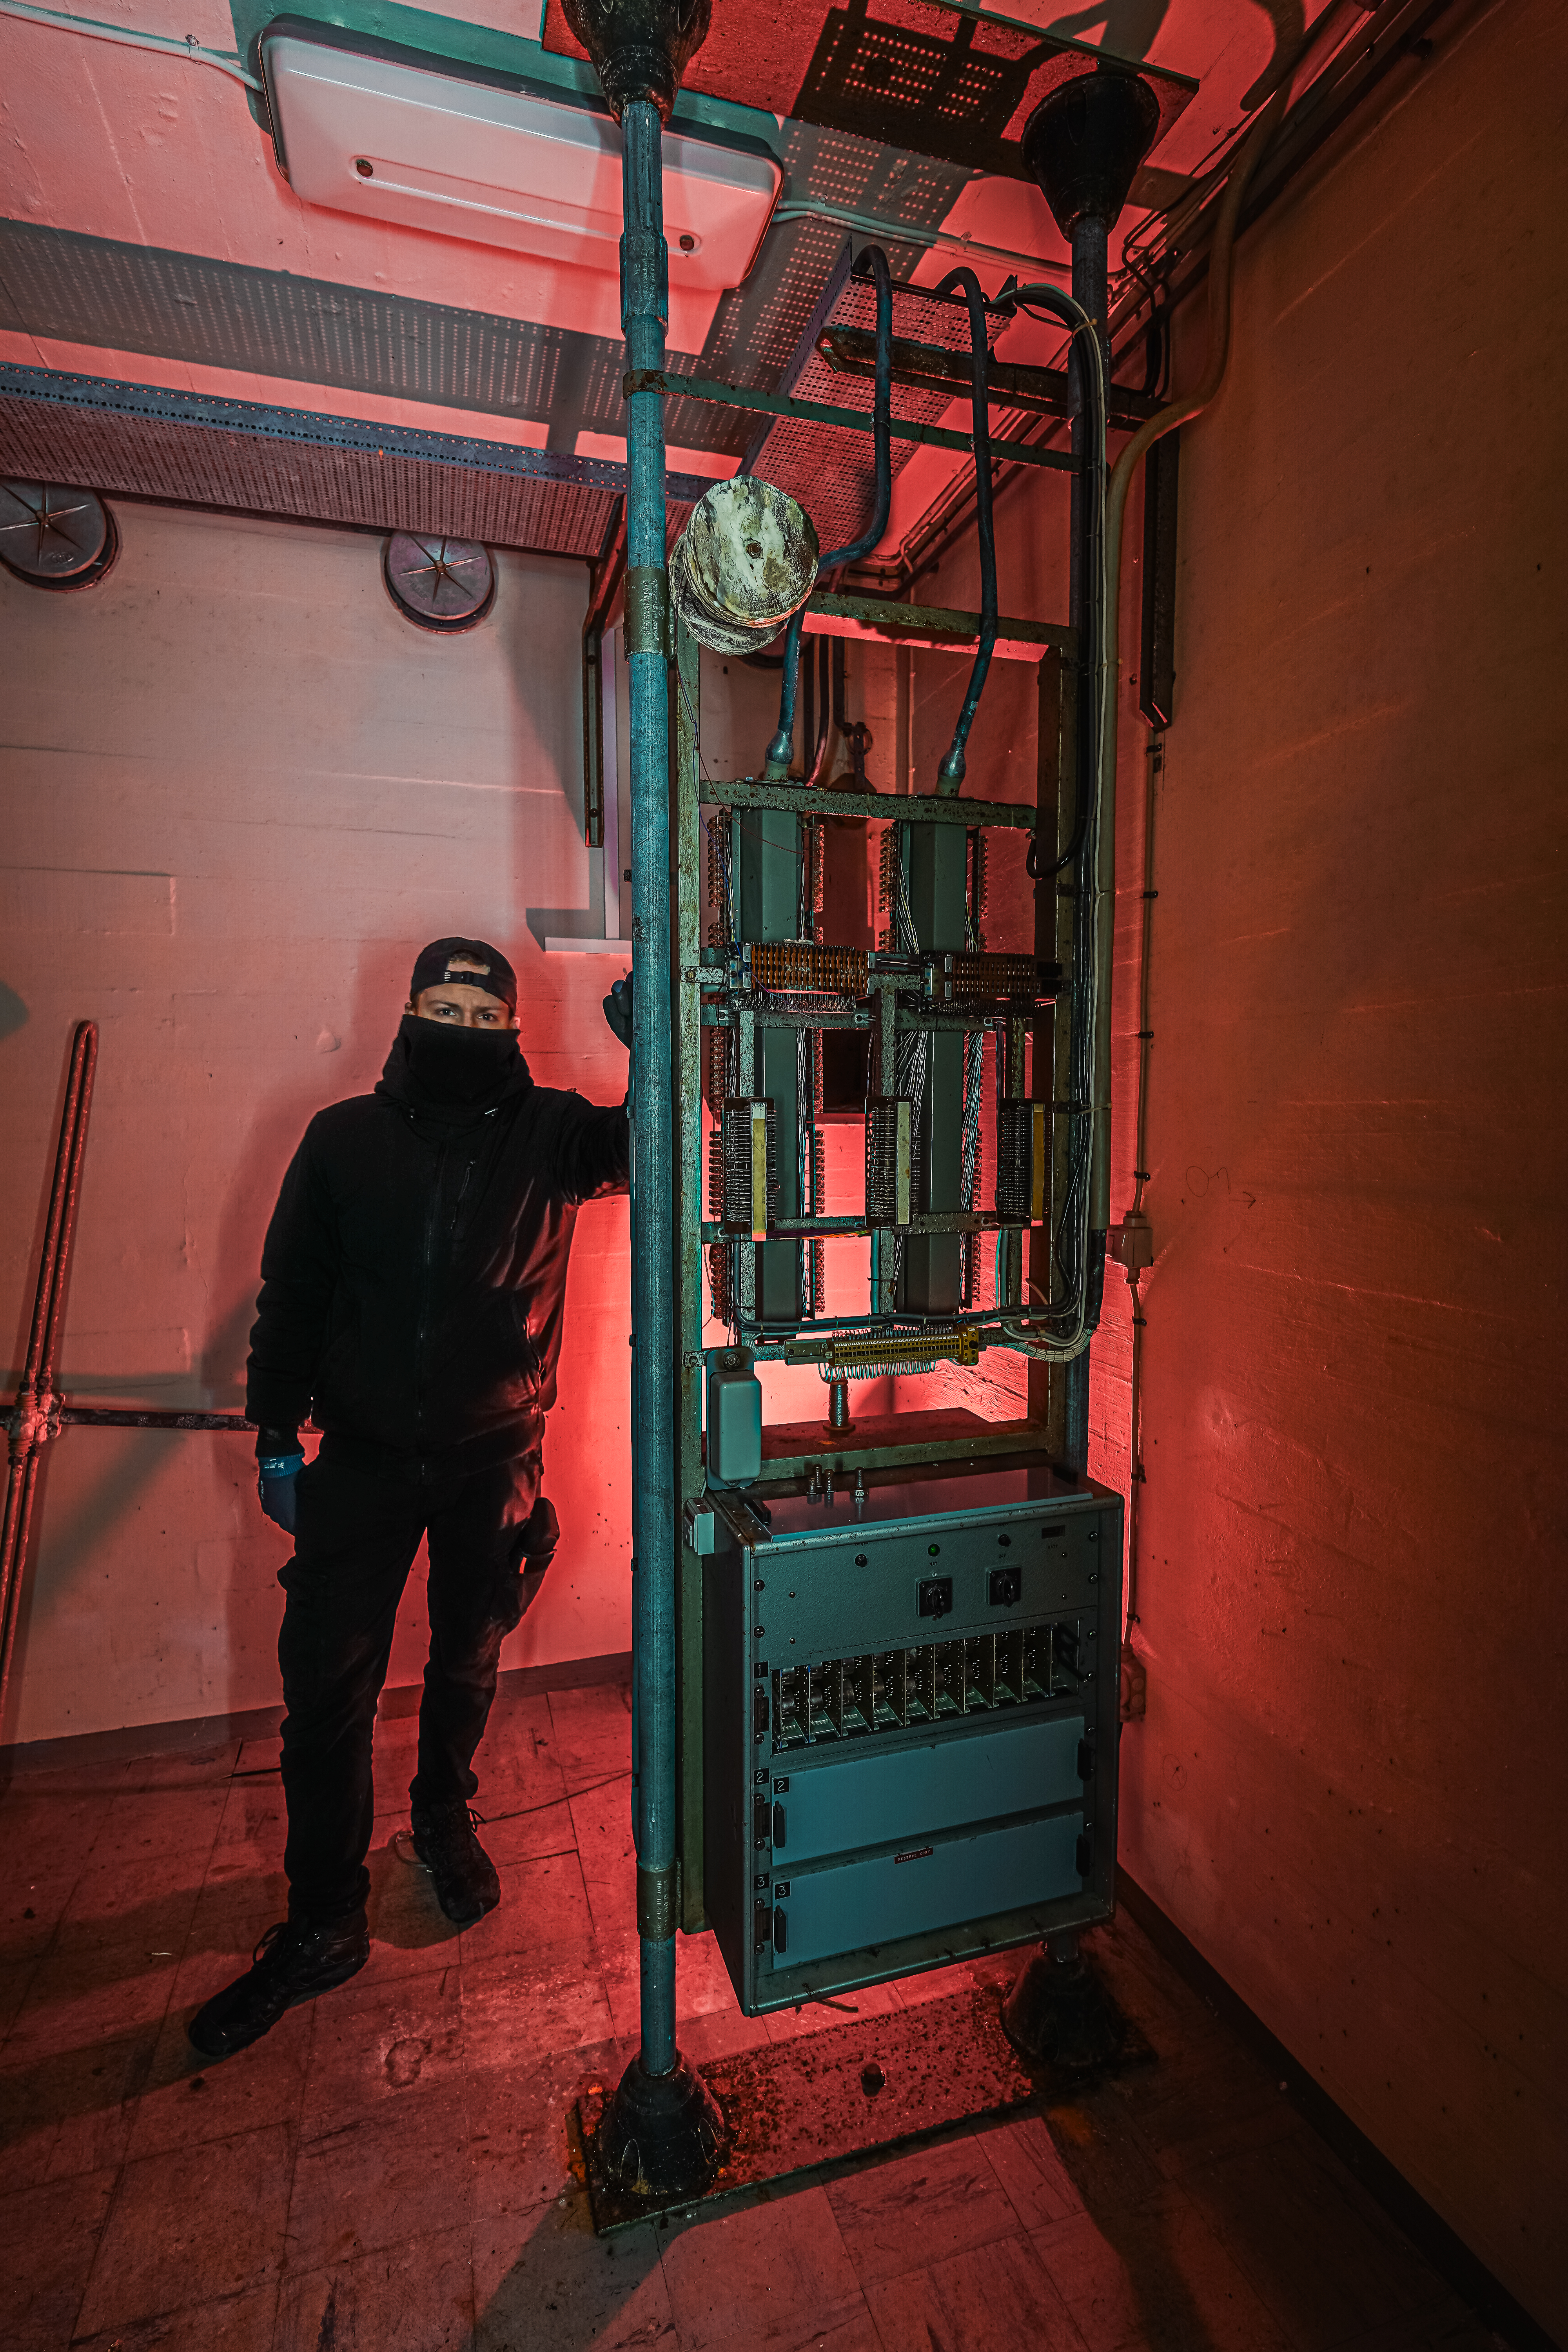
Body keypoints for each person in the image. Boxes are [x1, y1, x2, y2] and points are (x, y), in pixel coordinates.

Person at [190, 938, 634, 2058]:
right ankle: (325, 1916)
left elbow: (666, 1150)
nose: (459, 1029)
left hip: (494, 1457)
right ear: (406, 1016)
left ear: (509, 1027)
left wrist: (666, 1049)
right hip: (367, 1460)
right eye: (440, 1007)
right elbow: (294, 1289)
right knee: (325, 1694)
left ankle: (444, 1816)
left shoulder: (555, 1136)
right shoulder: (343, 1139)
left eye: (479, 1013)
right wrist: (277, 1433)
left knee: (466, 1654)